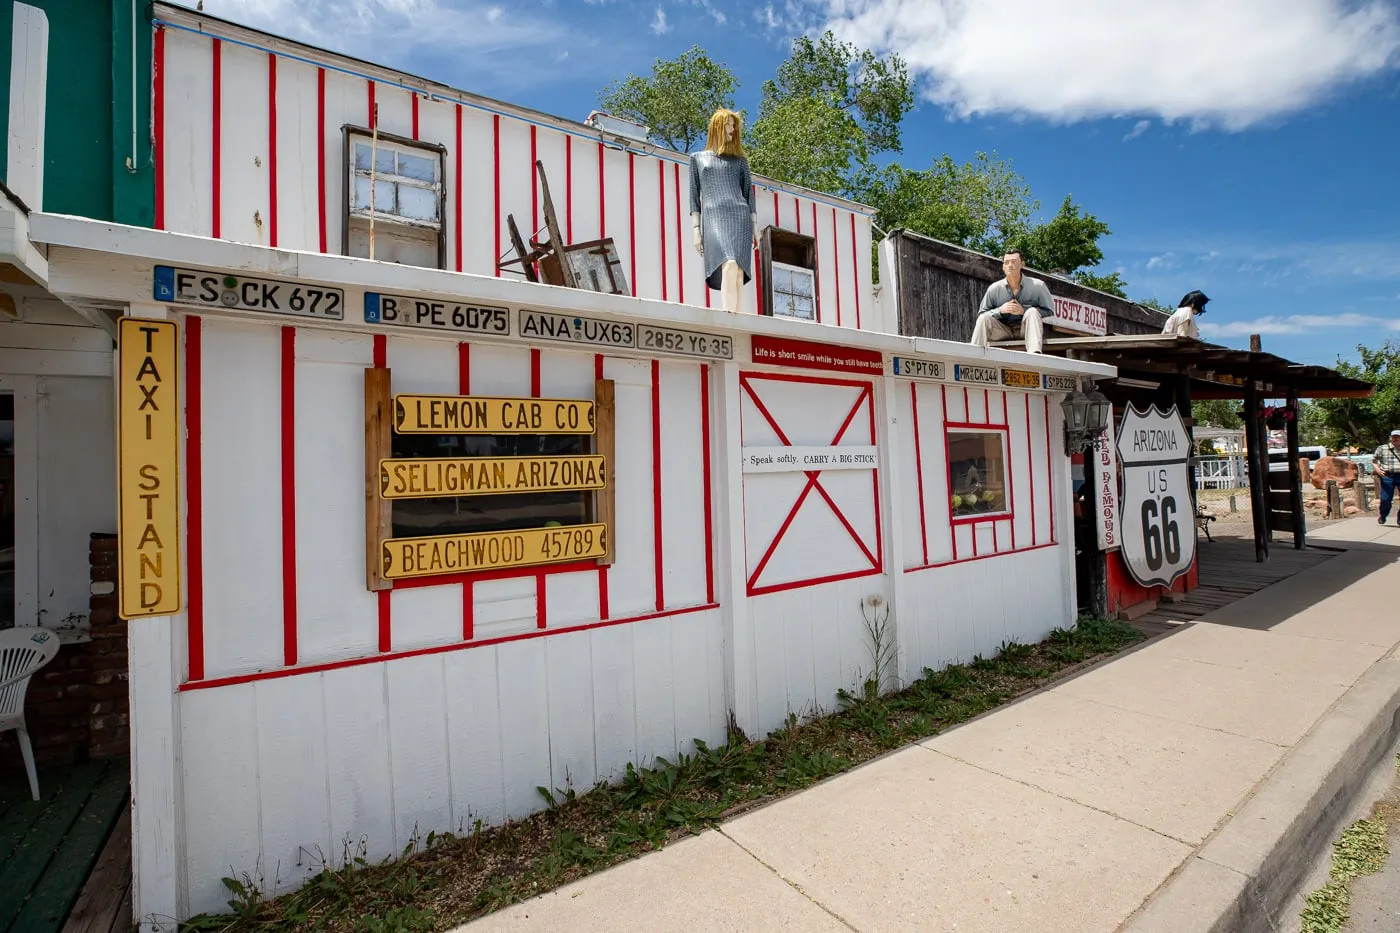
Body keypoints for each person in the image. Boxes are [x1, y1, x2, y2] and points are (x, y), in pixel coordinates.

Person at [689, 109, 759, 314]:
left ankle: (736, 321)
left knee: (737, 272)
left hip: (740, 217)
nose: (732, 129)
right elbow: (694, 198)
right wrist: (696, 230)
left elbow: (749, 195)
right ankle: (729, 320)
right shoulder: (697, 159)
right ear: (717, 127)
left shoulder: (740, 161)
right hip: (714, 219)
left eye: (733, 126)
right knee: (728, 264)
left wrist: (755, 228)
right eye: (728, 125)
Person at [969, 248, 1054, 353]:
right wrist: (1000, 310)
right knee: (983, 318)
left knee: (1032, 311)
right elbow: (982, 314)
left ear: (1022, 264)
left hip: (1026, 329)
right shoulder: (994, 288)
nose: (1010, 265)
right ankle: (973, 354)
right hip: (1003, 331)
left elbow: (1049, 311)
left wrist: (1024, 310)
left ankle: (1035, 354)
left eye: (1014, 262)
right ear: (1003, 267)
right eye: (1006, 262)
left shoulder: (1038, 285)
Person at [1375, 429, 1400, 525]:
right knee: (1386, 499)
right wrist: (1378, 470)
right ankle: (1383, 515)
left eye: (1398, 437)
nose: (1396, 439)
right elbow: (1374, 460)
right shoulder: (1382, 448)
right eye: (1394, 437)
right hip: (1387, 476)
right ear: (1390, 438)